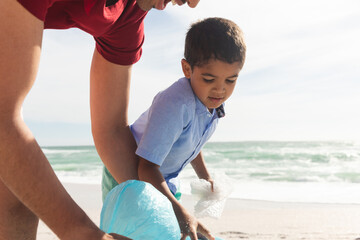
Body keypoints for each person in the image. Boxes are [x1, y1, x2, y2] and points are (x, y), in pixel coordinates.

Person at [0, 0, 200, 239]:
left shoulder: (128, 16)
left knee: (16, 199)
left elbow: (112, 130)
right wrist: (84, 233)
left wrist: (168, 215)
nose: (192, 3)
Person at [102, 17, 246, 240]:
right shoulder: (175, 105)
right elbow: (146, 167)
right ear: (187, 69)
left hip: (162, 178)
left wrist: (205, 177)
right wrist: (179, 211)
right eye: (209, 79)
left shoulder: (211, 102)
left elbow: (192, 141)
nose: (220, 90)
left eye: (231, 80)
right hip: (129, 176)